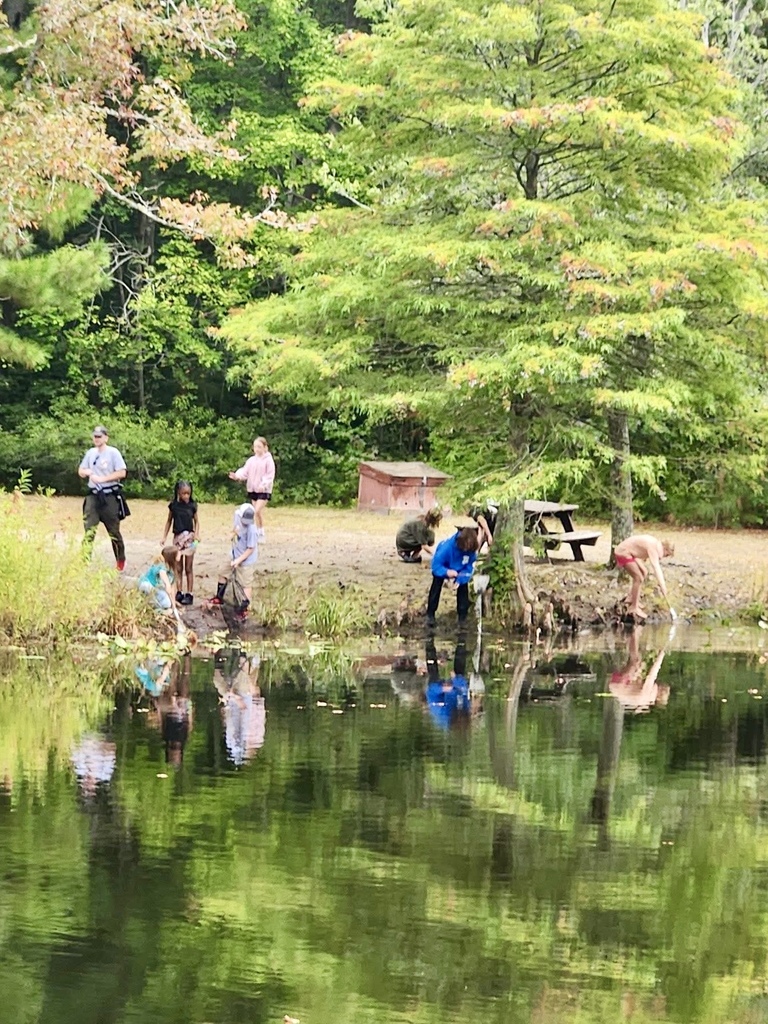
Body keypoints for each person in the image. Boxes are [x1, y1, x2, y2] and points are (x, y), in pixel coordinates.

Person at [78, 425, 127, 570]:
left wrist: (103, 479)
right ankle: (84, 561)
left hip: (109, 496)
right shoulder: (90, 453)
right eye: (95, 436)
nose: (96, 439)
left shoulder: (113, 453)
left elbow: (122, 472)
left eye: (99, 436)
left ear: (106, 437)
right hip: (93, 496)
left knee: (114, 532)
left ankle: (120, 560)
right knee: (89, 530)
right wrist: (86, 472)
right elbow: (80, 470)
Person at [210, 505, 258, 621]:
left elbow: (250, 549)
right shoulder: (237, 515)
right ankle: (219, 597)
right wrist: (233, 534)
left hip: (247, 559)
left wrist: (238, 560)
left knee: (245, 583)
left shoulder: (252, 529)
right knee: (223, 572)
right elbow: (235, 530)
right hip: (234, 553)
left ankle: (244, 610)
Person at [613, 534, 675, 620]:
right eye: (666, 555)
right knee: (638, 578)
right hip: (623, 552)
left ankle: (631, 597)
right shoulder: (654, 548)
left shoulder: (655, 544)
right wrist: (663, 586)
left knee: (644, 572)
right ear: (665, 549)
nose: (664, 557)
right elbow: (656, 568)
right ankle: (634, 607)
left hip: (630, 553)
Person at [426, 526, 479, 627]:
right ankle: (430, 614)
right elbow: (436, 566)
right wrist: (447, 572)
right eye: (465, 547)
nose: (467, 549)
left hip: (460, 569)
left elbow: (469, 567)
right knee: (436, 586)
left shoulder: (471, 551)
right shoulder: (446, 548)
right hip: (444, 566)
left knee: (463, 588)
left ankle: (462, 617)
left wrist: (460, 579)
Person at [228, 436, 275, 541]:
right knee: (257, 513)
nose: (257, 449)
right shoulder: (251, 460)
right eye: (255, 447)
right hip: (253, 489)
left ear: (265, 447)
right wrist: (236, 475)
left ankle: (252, 532)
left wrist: (263, 485)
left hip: (264, 490)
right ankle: (260, 531)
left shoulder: (268, 460)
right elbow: (245, 472)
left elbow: (270, 475)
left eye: (259, 447)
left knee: (255, 511)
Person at [161, 480, 200, 605]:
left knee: (189, 567)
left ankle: (190, 593)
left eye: (188, 493)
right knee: (178, 567)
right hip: (177, 538)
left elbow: (197, 522)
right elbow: (169, 521)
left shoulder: (192, 506)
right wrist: (164, 536)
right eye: (184, 494)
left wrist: (197, 534)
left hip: (189, 537)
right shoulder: (174, 506)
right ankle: (179, 591)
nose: (186, 496)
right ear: (178, 492)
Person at [423, 636, 471, 729]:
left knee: (433, 677)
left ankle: (429, 644)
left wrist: (442, 688)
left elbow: (431, 692)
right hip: (453, 689)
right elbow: (464, 689)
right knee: (459, 672)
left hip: (438, 691)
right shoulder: (465, 708)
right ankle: (462, 641)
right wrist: (456, 680)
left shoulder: (441, 712)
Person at [137, 546, 179, 613]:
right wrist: (167, 584)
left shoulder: (172, 571)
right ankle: (154, 609)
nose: (180, 554)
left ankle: (153, 606)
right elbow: (162, 572)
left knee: (167, 603)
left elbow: (172, 590)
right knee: (164, 602)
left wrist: (174, 607)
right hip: (147, 585)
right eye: (178, 553)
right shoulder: (161, 565)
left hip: (156, 589)